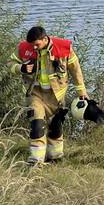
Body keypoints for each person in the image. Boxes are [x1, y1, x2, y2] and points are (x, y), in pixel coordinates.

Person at [9, 26, 87, 166]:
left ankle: (55, 158)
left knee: (55, 128)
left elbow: (76, 71)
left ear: (45, 39)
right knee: (37, 126)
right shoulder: (24, 48)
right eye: (32, 45)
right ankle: (35, 161)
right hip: (35, 94)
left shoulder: (63, 48)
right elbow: (10, 63)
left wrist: (82, 93)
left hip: (56, 96)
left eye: (37, 44)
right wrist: (20, 68)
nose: (34, 48)